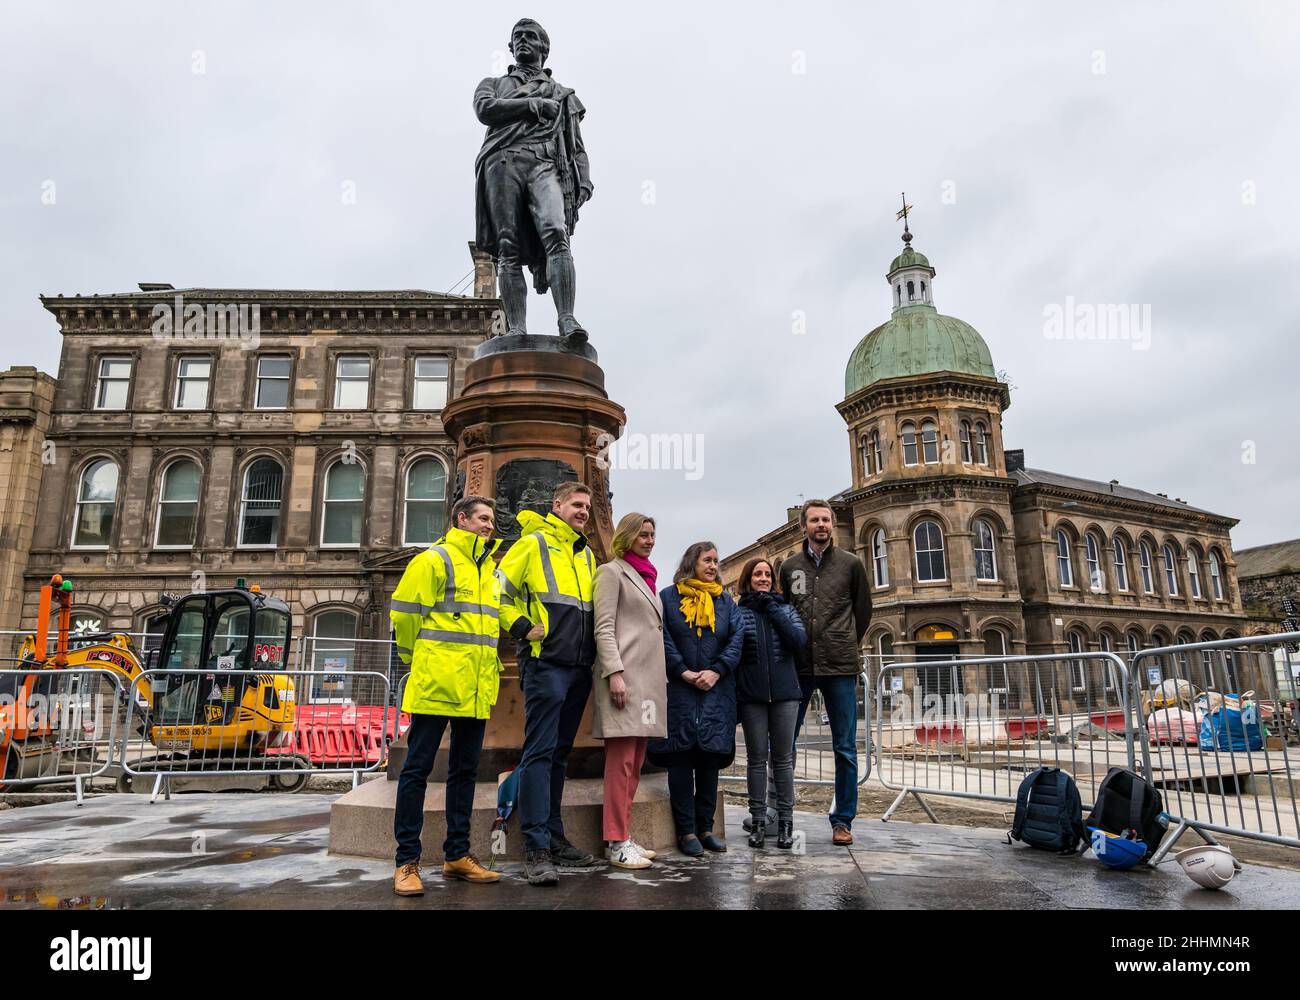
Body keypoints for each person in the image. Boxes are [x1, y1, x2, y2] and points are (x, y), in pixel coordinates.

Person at [389, 495, 504, 895]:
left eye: (492, 519)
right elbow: (403, 614)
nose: (490, 525)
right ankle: (406, 862)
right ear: (462, 518)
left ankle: (457, 854)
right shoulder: (433, 560)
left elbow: (495, 621)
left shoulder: (490, 570)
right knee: (417, 771)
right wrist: (413, 656)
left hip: (475, 687)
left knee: (465, 772)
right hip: (437, 684)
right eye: (483, 518)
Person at [498, 481, 599, 886]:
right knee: (539, 753)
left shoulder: (586, 553)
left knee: (558, 754)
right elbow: (496, 591)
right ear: (557, 505)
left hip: (578, 666)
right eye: (577, 505)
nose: (583, 512)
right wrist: (522, 627)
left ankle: (555, 839)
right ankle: (535, 847)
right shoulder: (533, 544)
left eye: (587, 507)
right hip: (545, 664)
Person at [778, 500, 872, 846]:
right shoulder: (789, 567)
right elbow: (785, 611)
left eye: (826, 520)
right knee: (785, 745)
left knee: (845, 748)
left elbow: (863, 612)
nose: (821, 525)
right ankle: (781, 813)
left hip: (840, 666)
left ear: (832, 525)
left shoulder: (851, 564)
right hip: (799, 666)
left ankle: (842, 820)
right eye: (815, 520)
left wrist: (843, 640)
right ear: (803, 526)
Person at [648, 541, 743, 857]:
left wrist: (716, 671)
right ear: (692, 562)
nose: (714, 566)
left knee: (709, 763)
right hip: (680, 690)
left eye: (717, 560)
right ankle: (686, 832)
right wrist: (684, 672)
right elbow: (664, 638)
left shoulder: (726, 602)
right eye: (707, 560)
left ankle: (706, 828)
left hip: (716, 691)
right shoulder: (668, 598)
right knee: (680, 760)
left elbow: (736, 640)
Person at [592, 512, 668, 870]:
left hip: (648, 683)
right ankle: (615, 841)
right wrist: (615, 673)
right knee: (620, 765)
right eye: (643, 535)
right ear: (627, 536)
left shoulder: (648, 577)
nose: (649, 540)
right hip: (624, 681)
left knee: (635, 764)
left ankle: (624, 834)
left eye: (652, 535)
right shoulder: (611, 572)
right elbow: (604, 628)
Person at [735, 557, 807, 850]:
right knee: (755, 760)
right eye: (757, 574)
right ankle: (758, 820)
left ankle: (786, 823)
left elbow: (799, 641)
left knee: (783, 761)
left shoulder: (786, 609)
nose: (763, 578)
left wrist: (773, 609)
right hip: (752, 696)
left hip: (785, 694)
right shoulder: (738, 613)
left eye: (767, 574)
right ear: (748, 579)